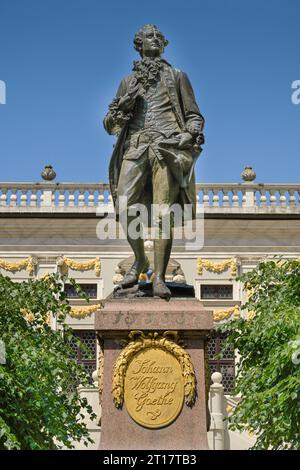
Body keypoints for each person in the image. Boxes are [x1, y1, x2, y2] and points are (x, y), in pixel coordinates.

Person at [104, 24, 205, 299]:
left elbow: (194, 115)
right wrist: (121, 109)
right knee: (123, 203)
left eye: (159, 37)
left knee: (163, 214)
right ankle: (140, 259)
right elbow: (109, 125)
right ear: (139, 44)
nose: (156, 39)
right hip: (135, 147)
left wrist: (190, 133)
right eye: (150, 36)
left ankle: (159, 277)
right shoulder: (127, 82)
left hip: (167, 148)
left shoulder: (177, 76)